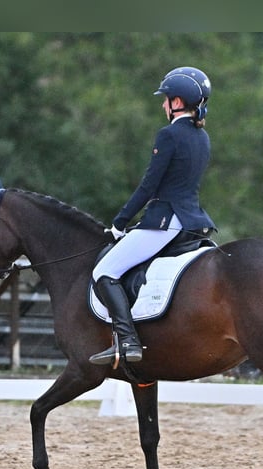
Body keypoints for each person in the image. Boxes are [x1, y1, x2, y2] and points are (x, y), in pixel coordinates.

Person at [89, 66, 216, 366]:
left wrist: (119, 223)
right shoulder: (203, 137)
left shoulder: (169, 135)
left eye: (166, 99)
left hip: (165, 221)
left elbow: (149, 185)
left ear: (178, 102)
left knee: (103, 272)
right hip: (194, 221)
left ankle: (128, 341)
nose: (163, 105)